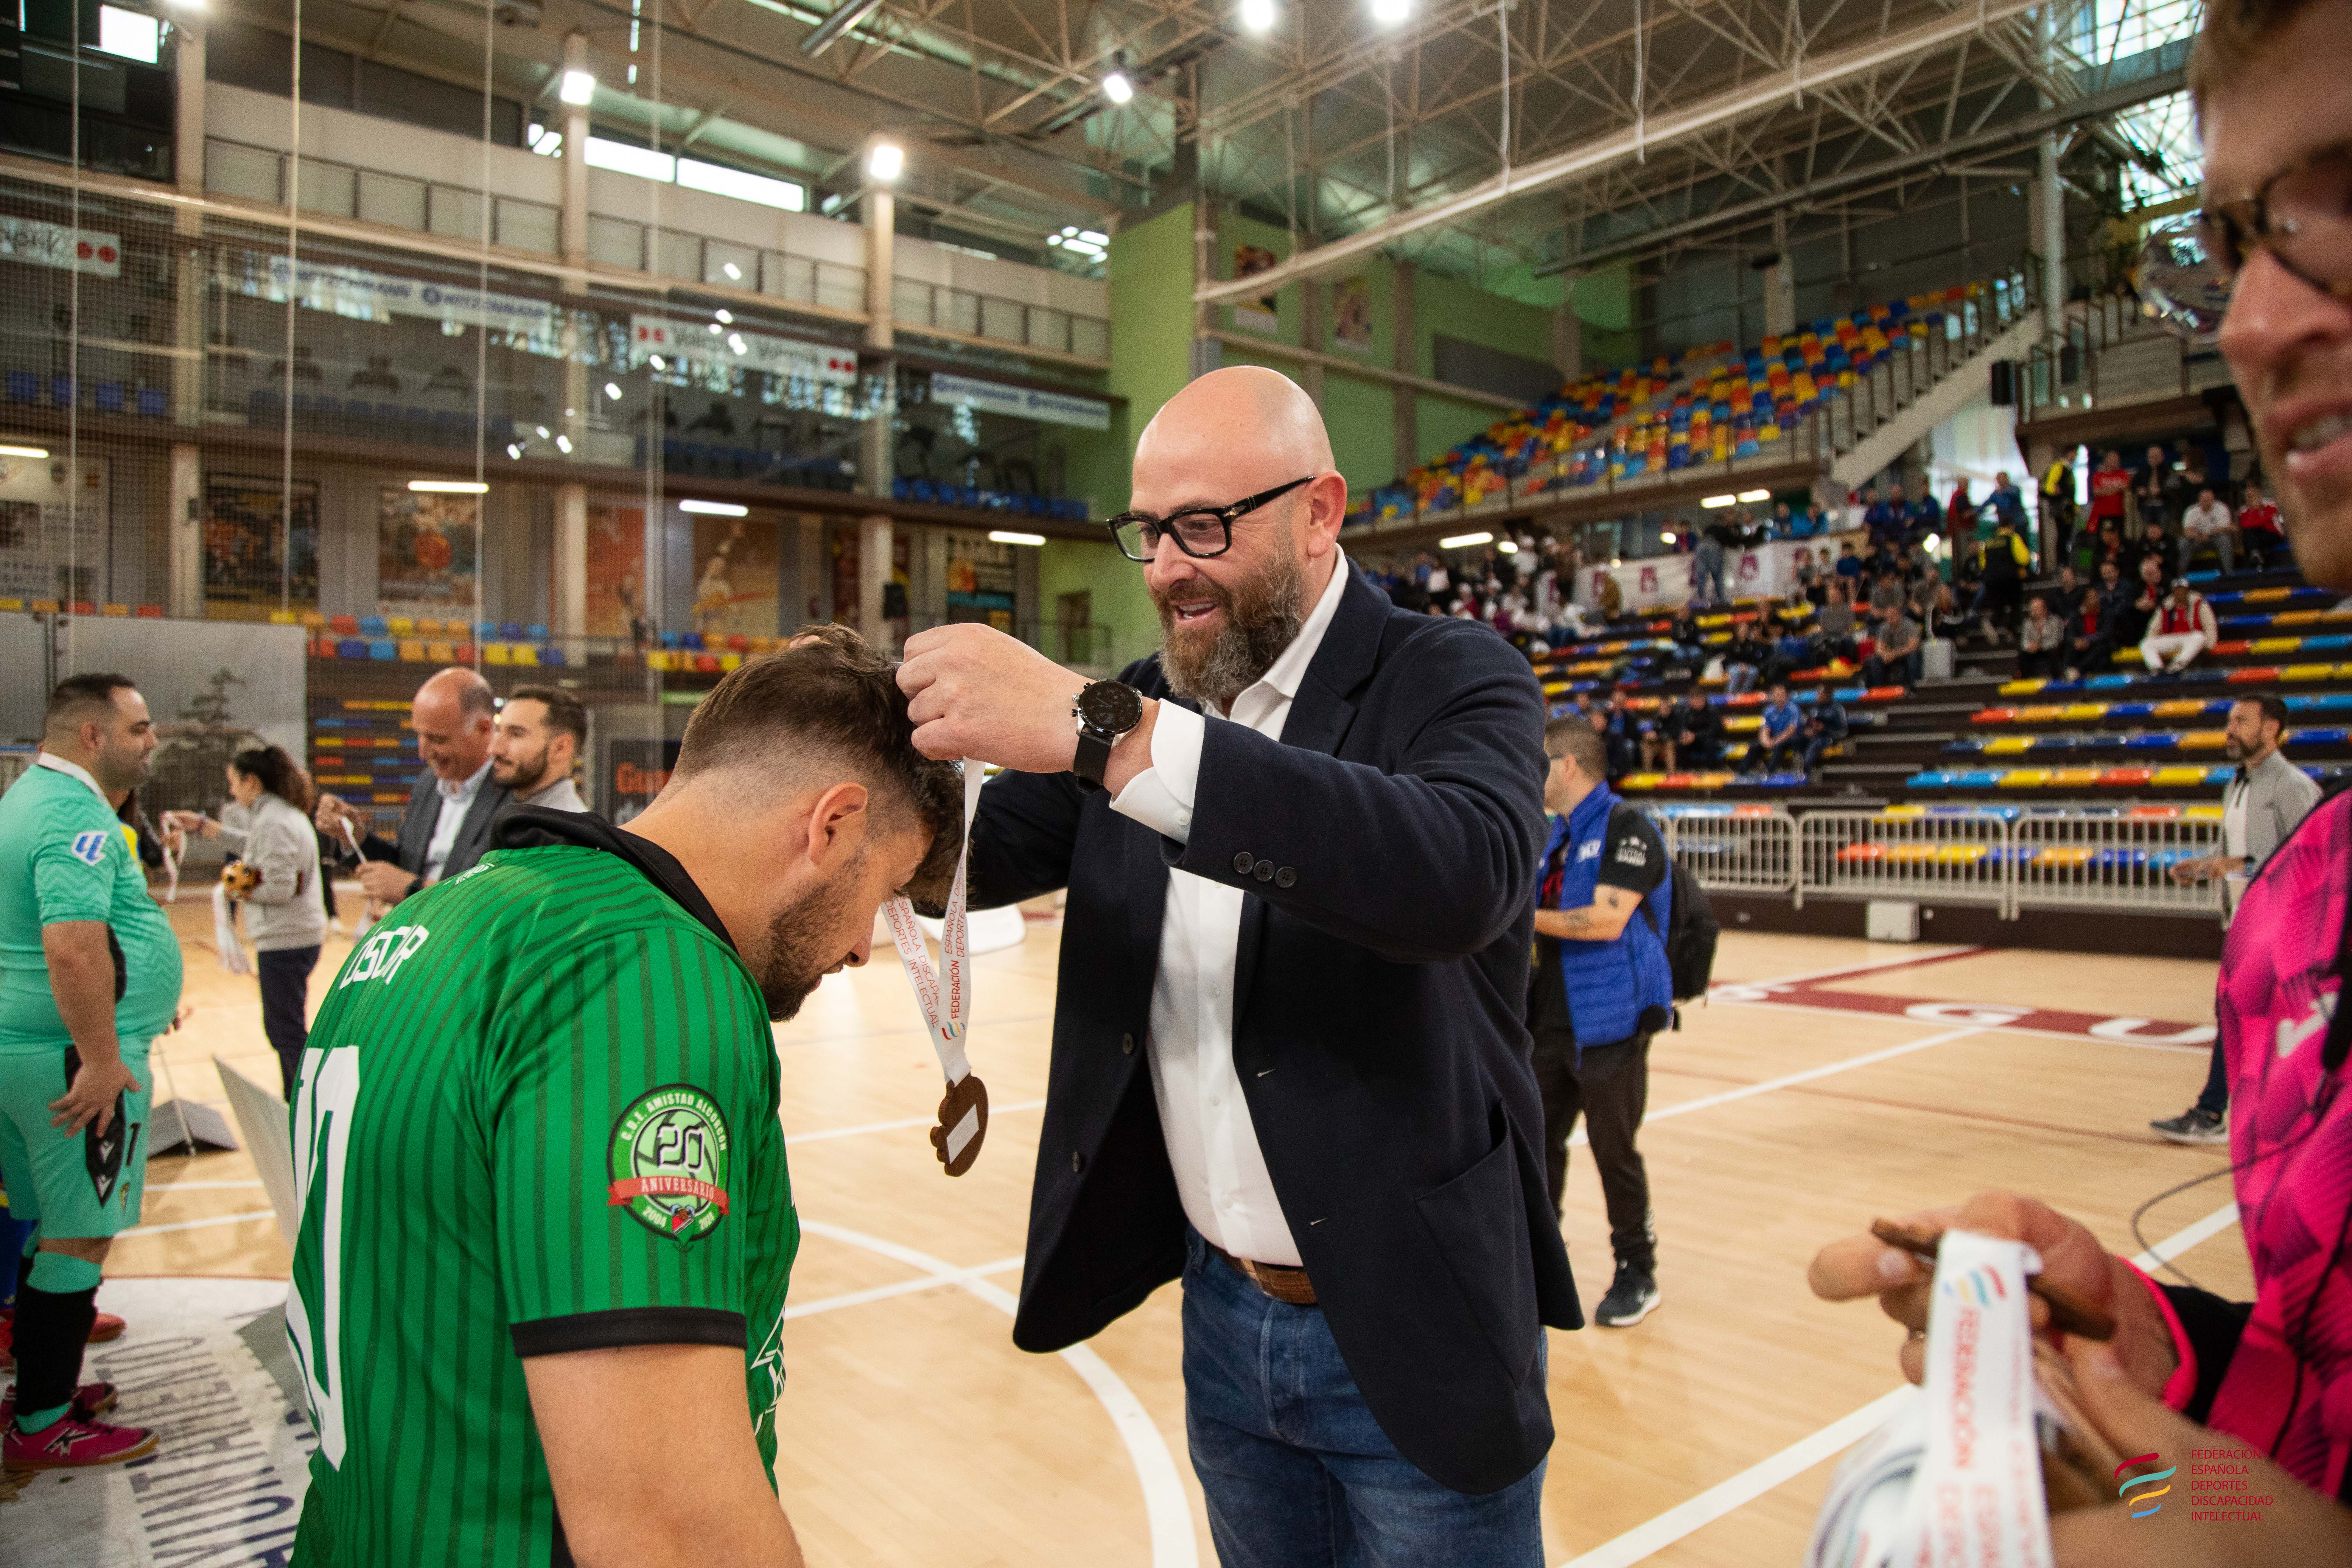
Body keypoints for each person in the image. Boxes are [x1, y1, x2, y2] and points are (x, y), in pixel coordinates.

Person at [1809, 15, 2352, 1562]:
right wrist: (2132, 1371)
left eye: (2333, 202)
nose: (2247, 319)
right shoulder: (2299, 913)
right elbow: (2303, 1467)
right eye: (2232, 241)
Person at [890, 365, 1576, 1560]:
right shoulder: (1143, 701)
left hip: (1416, 1308)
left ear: (1320, 511)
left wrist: (1107, 737)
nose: (1166, 567)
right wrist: (825, 786)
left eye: (1204, 525)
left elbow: (1460, 873)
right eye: (1148, 532)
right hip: (1219, 1311)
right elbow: (968, 856)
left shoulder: (1451, 674)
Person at [285, 631, 962, 1565]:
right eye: (884, 895)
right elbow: (667, 1525)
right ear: (833, 825)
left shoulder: (442, 914)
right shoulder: (646, 970)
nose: (858, 948)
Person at [0, 674, 182, 1468]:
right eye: (140, 728)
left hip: (30, 1050)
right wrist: (105, 1057)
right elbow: (72, 947)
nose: (152, 741)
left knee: (53, 1231)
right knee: (80, 1237)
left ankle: (36, 1394)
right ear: (92, 736)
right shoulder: (74, 815)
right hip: (73, 1064)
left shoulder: (25, 799)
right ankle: (42, 1423)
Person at [1525, 717, 1670, 1336]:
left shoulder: (1628, 827)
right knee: (1537, 1148)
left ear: (1568, 766)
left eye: (1541, 761)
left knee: (1615, 1153)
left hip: (1611, 1022)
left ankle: (1637, 1271)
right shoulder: (1553, 837)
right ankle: (1540, 1265)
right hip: (1548, 1021)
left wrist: (1523, 915)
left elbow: (1609, 920)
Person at [2152, 693, 2322, 1144]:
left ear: (2271, 728)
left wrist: (2230, 866)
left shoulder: (2293, 787)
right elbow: (2237, 855)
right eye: (2230, 720)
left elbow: (2308, 861)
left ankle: (2213, 1112)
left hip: (2285, 928)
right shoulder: (2237, 785)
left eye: (2241, 721)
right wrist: (2204, 866)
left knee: (2260, 1020)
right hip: (2247, 925)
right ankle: (2227, 1113)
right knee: (2245, 1020)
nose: (2229, 729)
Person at [165, 748, 325, 1097]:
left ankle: (303, 1102)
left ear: (252, 782)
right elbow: (254, 846)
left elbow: (280, 887)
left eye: (234, 783)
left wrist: (233, 884)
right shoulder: (276, 816)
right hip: (293, 936)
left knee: (285, 1030)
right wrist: (203, 826)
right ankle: (301, 1097)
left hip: (287, 940)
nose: (232, 791)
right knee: (284, 1027)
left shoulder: (275, 821)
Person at [315, 667, 512, 907]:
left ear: (483, 730)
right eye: (419, 736)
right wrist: (356, 837)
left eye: (438, 739)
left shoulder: (516, 796)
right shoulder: (427, 785)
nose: (423, 753)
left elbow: (492, 897)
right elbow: (404, 866)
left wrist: (412, 889)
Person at [492, 684, 590, 813]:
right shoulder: (523, 816)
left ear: (560, 748)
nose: (494, 749)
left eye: (516, 734)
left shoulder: (560, 824)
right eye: (498, 731)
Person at [2141, 576, 2220, 674]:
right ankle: (2157, 669)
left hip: (2190, 638)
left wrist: (2209, 645)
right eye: (2177, 591)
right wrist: (2153, 642)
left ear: (2187, 591)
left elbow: (2210, 626)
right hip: (2171, 638)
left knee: (2199, 637)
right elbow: (2154, 628)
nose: (2180, 593)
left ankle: (2178, 665)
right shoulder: (2166, 606)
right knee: (2146, 644)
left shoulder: (2199, 604)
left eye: (2183, 590)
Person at [1970, 517, 2031, 641]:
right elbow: (2024, 559)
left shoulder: (1988, 543)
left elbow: (1982, 565)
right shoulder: (2013, 539)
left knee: (1998, 608)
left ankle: (1992, 622)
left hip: (1991, 582)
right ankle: (2011, 633)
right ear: (2011, 526)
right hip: (2011, 579)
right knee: (2015, 606)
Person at [2064, 560, 2125, 677]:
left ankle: (2079, 671)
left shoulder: (2106, 613)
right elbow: (2070, 635)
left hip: (2099, 644)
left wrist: (2088, 640)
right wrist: (2077, 641)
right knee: (2070, 648)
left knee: (2100, 648)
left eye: (2096, 597)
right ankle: (2067, 673)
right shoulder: (2076, 616)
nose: (2095, 600)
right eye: (2091, 598)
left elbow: (2106, 634)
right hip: (2082, 645)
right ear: (2084, 601)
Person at [2180, 485, 2237, 574]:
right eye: (2204, 500)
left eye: (2208, 500)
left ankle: (2229, 574)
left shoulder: (2221, 508)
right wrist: (2198, 535)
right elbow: (2187, 530)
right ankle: (2181, 575)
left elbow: (2225, 529)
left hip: (2215, 539)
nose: (2206, 502)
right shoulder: (2192, 511)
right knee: (2183, 542)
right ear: (2199, 500)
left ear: (2213, 500)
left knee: (2225, 540)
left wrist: (2209, 534)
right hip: (2198, 540)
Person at [2134, 441, 2186, 536]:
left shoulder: (2169, 471)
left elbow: (2175, 488)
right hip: (2146, 506)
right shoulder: (2142, 471)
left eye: (2156, 457)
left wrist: (2161, 492)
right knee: (2148, 533)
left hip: (2164, 506)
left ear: (2162, 457)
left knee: (2164, 532)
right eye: (2152, 457)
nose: (2154, 460)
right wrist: (2139, 490)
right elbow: (2134, 486)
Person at [1865, 603, 1922, 688]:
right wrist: (1885, 655)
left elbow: (1913, 647)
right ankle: (1879, 689)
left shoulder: (1910, 625)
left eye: (1893, 616)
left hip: (1907, 654)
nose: (1890, 619)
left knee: (1913, 657)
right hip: (1891, 655)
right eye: (1888, 616)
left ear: (1900, 616)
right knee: (1874, 661)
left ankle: (1915, 687)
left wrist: (1895, 653)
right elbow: (1879, 648)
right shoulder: (1884, 628)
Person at [1755, 681, 1805, 775]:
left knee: (1779, 746)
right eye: (1777, 695)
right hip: (1774, 738)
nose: (1779, 697)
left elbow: (1791, 731)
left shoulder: (1793, 709)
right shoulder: (1768, 711)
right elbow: (1765, 729)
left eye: (1781, 695)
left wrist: (1774, 742)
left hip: (1791, 739)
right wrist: (1766, 741)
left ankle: (1770, 773)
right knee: (1755, 747)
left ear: (1787, 695)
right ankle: (1743, 773)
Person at [2237, 477, 2288, 568]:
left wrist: (2256, 510)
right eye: (2249, 497)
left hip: (2273, 533)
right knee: (2248, 533)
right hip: (2256, 536)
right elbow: (2245, 525)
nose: (2251, 498)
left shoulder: (2270, 504)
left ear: (2259, 493)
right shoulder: (2243, 510)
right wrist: (2255, 511)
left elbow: (2267, 522)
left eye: (2254, 495)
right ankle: (2256, 557)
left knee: (2252, 536)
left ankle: (2256, 556)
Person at [1799, 685, 1848, 776]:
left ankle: (1806, 772)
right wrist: (1807, 731)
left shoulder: (1837, 709)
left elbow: (1843, 731)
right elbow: (1807, 725)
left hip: (1828, 738)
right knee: (1796, 740)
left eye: (1821, 694)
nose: (1818, 696)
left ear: (1828, 696)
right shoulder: (1814, 708)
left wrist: (1824, 729)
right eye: (1818, 693)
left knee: (1816, 744)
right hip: (1813, 736)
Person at [2041, 451, 2079, 563]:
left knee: (2067, 536)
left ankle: (2066, 562)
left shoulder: (2069, 469)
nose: (2076, 457)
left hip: (2069, 508)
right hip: (2061, 509)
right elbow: (2048, 486)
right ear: (2070, 453)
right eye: (2075, 454)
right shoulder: (2059, 467)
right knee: (2063, 535)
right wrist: (2053, 492)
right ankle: (2062, 563)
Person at [2017, 595, 2067, 678]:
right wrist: (2031, 647)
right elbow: (2024, 643)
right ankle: (2025, 678)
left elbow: (2055, 642)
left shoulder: (2055, 621)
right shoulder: (2027, 623)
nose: (2034, 611)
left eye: (2037, 608)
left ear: (2045, 610)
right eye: (2032, 608)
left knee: (2054, 653)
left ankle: (2056, 678)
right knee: (2023, 655)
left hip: (2050, 650)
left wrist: (2040, 646)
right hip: (2034, 652)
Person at [2088, 448, 2132, 537]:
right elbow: (2097, 491)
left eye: (2117, 460)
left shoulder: (2123, 474)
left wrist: (2106, 490)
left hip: (2118, 513)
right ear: (2107, 461)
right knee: (2102, 538)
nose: (2116, 462)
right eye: (2113, 460)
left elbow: (2125, 487)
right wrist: (2116, 490)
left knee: (2119, 538)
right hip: (2102, 514)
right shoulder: (2098, 475)